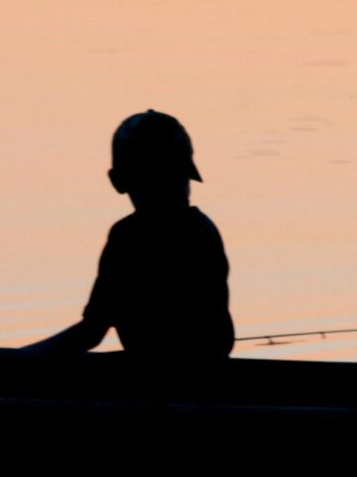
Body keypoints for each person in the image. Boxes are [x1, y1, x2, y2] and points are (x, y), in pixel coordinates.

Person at [14, 110, 235, 374]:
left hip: (155, 381)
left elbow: (91, 332)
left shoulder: (128, 237)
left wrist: (18, 359)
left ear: (120, 181)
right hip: (211, 374)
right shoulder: (204, 229)